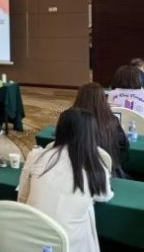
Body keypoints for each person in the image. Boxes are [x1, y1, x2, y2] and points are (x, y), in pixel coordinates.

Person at [18, 108, 113, 252]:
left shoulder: (36, 156)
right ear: (91, 136)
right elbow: (104, 196)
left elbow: (22, 197)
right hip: (70, 243)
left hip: (29, 238)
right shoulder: (95, 167)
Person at [72, 82, 127, 178]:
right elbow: (124, 144)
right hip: (108, 174)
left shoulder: (71, 119)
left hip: (75, 173)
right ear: (103, 99)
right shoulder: (112, 121)